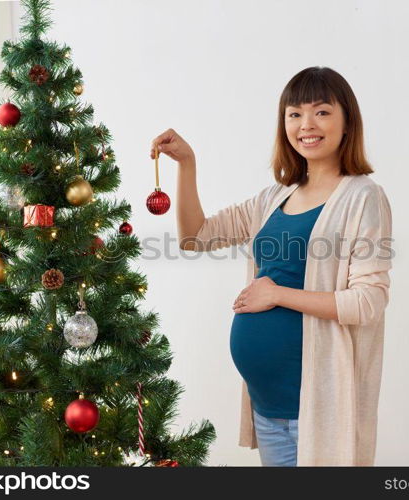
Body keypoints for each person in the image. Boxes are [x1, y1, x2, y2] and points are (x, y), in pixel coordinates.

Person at [150, 66, 392, 466]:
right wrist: (187, 164)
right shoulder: (274, 196)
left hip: (316, 410)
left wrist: (277, 294)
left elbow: (368, 302)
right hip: (268, 409)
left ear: (347, 122)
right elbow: (196, 236)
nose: (306, 125)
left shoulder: (362, 197)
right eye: (294, 114)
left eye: (321, 112)